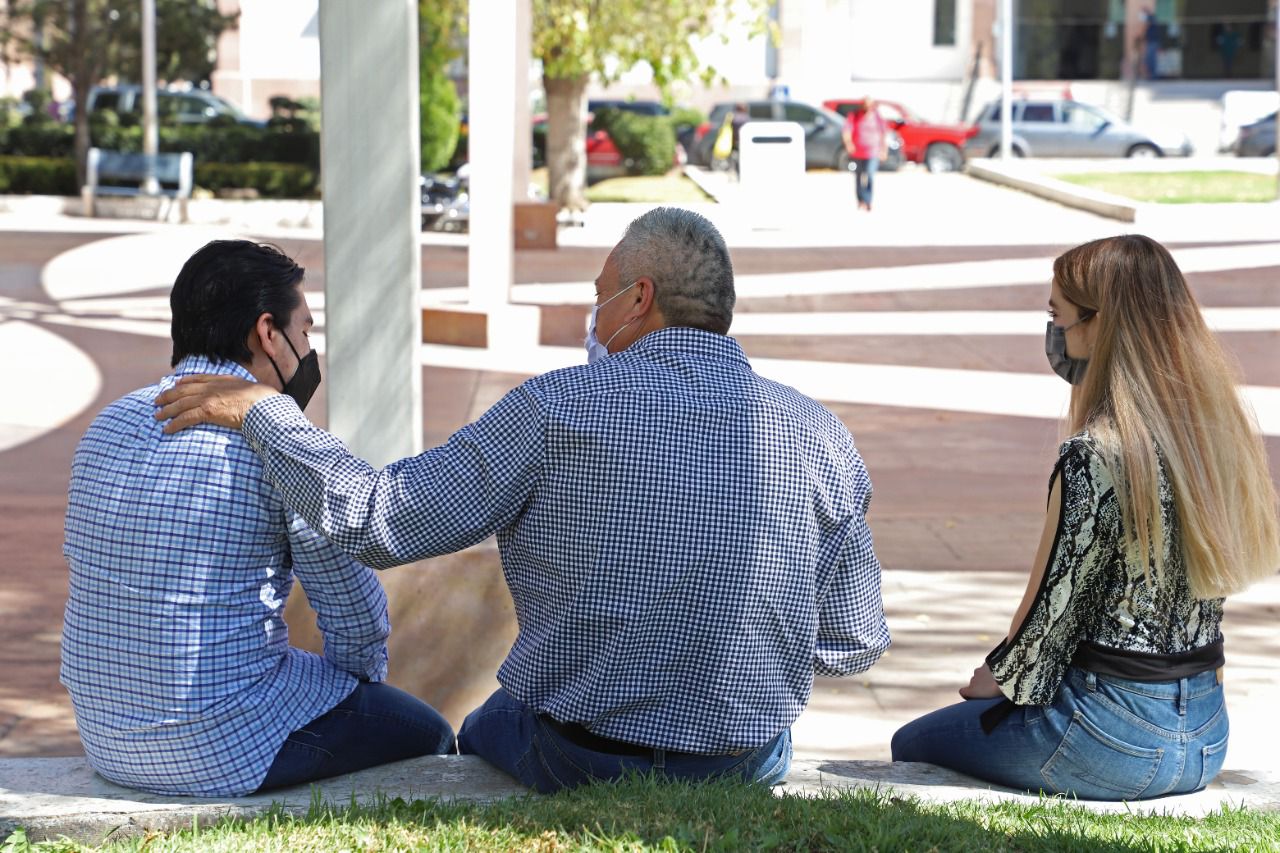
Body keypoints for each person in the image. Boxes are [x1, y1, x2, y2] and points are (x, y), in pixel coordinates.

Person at [153, 208, 891, 794]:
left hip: (579, 754)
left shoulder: (553, 408)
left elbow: (379, 520)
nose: (593, 319)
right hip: (745, 759)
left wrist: (265, 413)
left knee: (478, 726)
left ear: (639, 299)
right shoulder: (821, 434)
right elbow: (854, 640)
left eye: (599, 297)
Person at [891, 235, 1280, 801]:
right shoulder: (1214, 440)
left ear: (1100, 325)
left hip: (1108, 738)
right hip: (1205, 737)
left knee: (913, 742)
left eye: (1058, 316)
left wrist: (998, 675)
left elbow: (1051, 610)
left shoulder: (1094, 455)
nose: (1054, 333)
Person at [61, 240, 455, 798]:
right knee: (428, 733)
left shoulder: (108, 425)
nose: (310, 350)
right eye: (306, 331)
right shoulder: (279, 447)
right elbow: (354, 618)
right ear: (268, 332)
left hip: (106, 741)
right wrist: (359, 688)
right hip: (217, 751)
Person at [842, 98, 888, 211]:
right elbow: (846, 131)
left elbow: (883, 134)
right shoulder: (855, 116)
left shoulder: (877, 117)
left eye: (870, 105)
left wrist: (884, 150)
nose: (868, 108)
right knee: (858, 176)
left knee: (870, 174)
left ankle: (868, 200)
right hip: (857, 152)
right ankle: (860, 199)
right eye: (866, 105)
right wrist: (848, 143)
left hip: (873, 152)